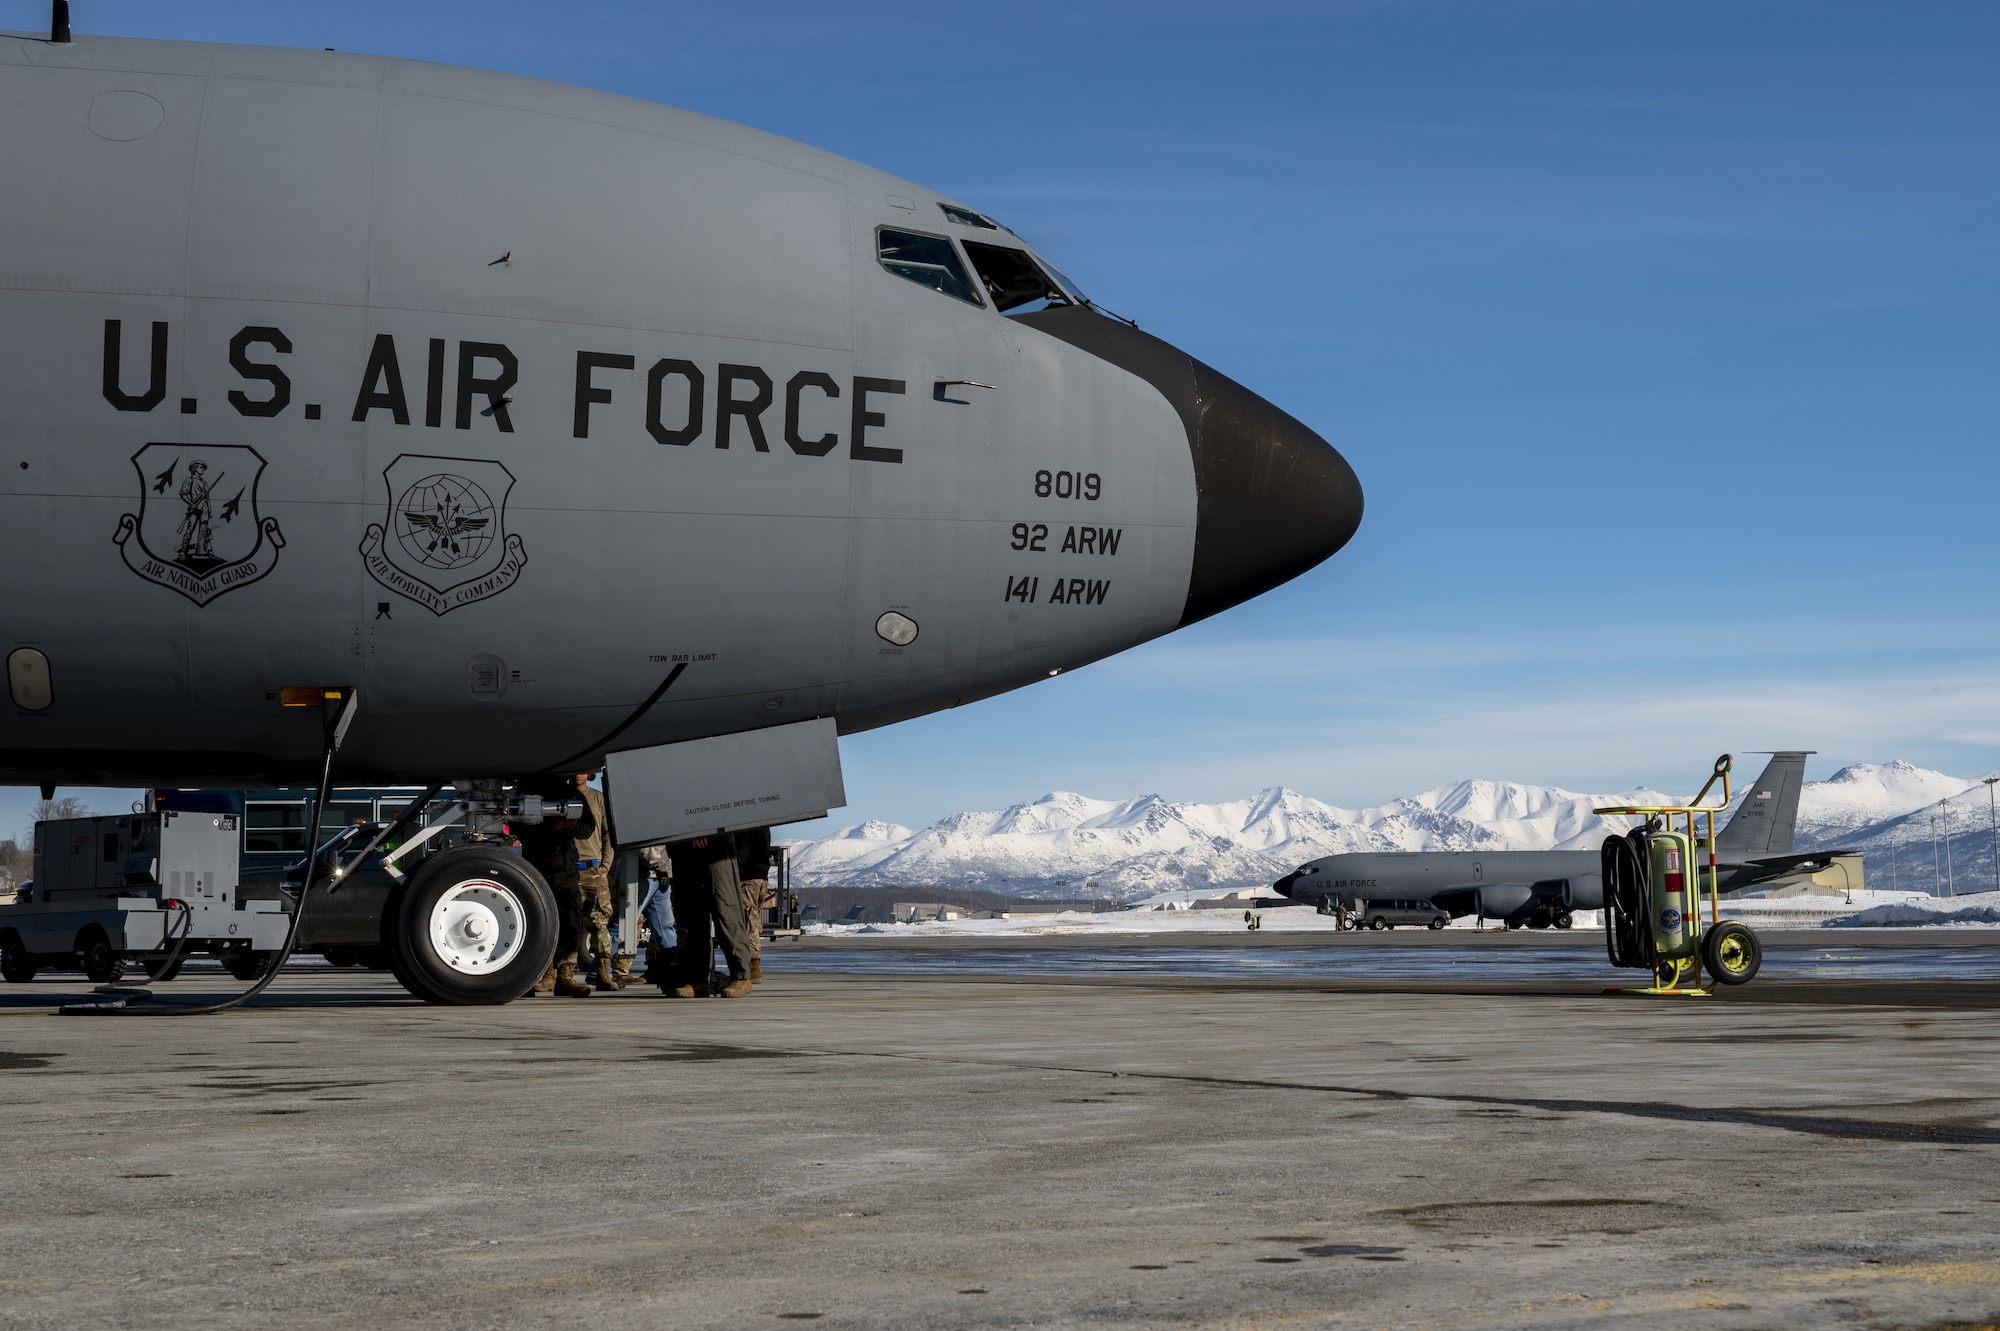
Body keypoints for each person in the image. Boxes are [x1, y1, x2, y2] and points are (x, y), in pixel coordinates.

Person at [664, 833, 753, 998]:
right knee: (692, 915)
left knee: (726, 909)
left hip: (716, 842)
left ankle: (741, 975)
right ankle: (699, 979)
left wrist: (702, 828)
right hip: (682, 845)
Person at [736, 827, 775, 983]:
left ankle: (753, 968)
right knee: (753, 922)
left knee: (748, 924)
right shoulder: (764, 825)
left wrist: (735, 873)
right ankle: (753, 966)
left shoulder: (745, 826)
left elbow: (742, 851)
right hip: (761, 877)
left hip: (747, 878)